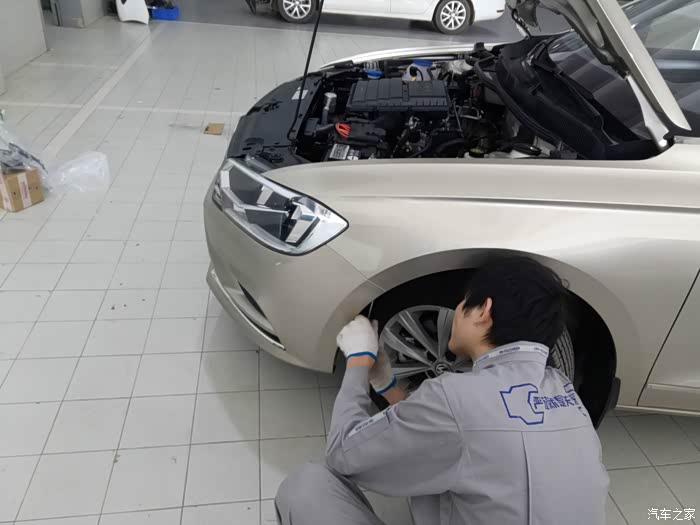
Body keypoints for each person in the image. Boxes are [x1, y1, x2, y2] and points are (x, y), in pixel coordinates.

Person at [275, 256, 609, 525]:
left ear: (483, 311)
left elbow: (343, 454)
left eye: (463, 303)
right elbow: (455, 431)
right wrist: (387, 386)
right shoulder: (565, 392)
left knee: (307, 485)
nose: (458, 310)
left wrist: (358, 362)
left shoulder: (454, 395)